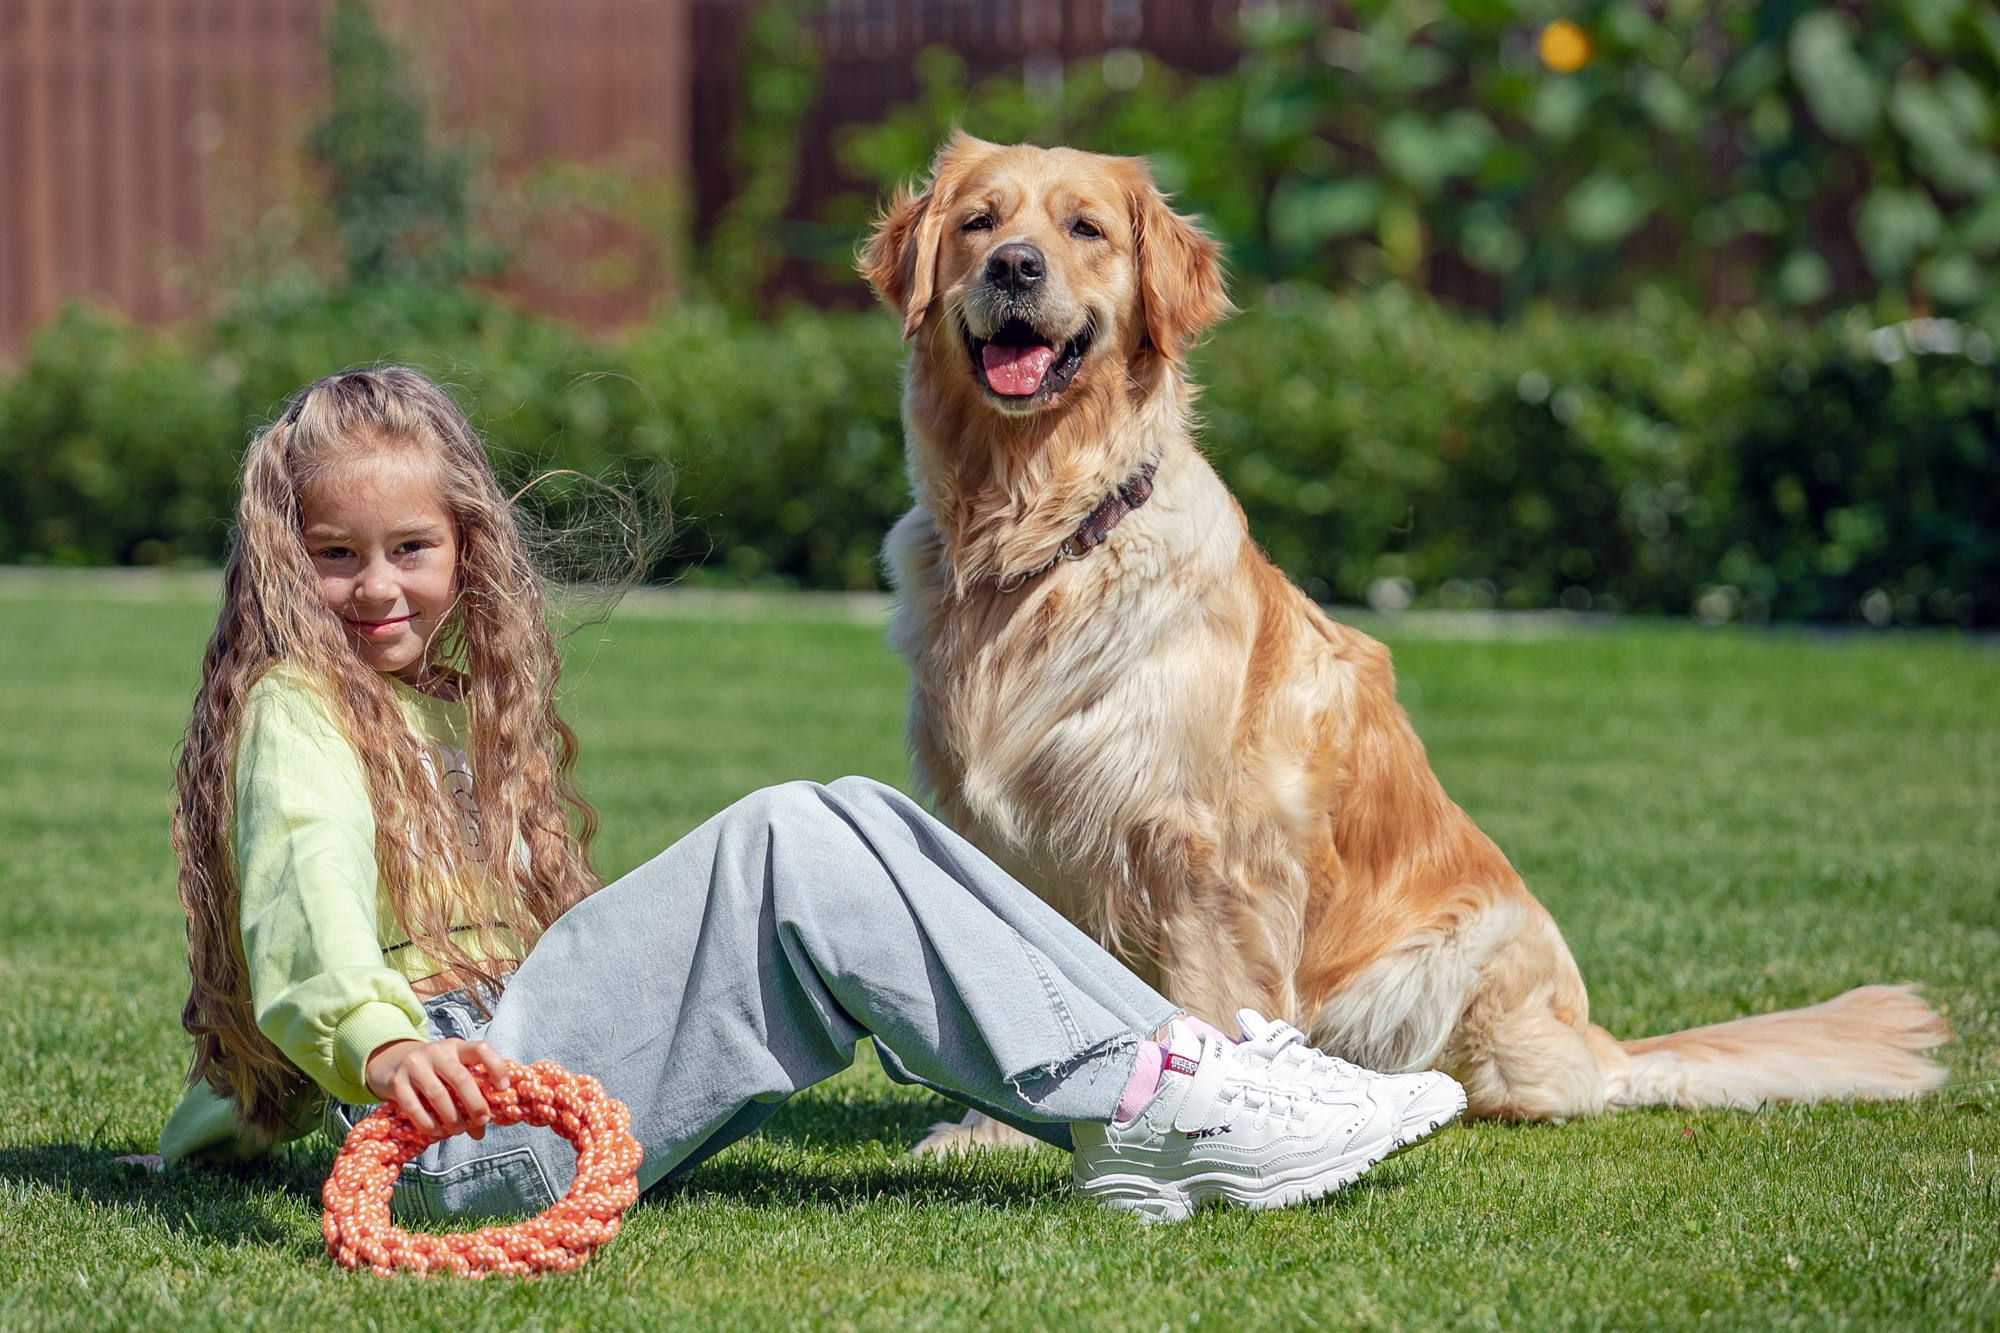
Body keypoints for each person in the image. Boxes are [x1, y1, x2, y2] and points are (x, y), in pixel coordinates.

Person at [127, 367, 1464, 1225]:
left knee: (845, 819)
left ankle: (1175, 1082)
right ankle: (1164, 1098)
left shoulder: (433, 705)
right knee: (791, 832)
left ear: (464, 548)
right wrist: (379, 1049)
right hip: (449, 1131)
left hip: (498, 1100)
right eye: (336, 555)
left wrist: (211, 1128)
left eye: (409, 548)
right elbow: (300, 917)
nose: (377, 587)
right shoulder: (297, 711)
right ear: (283, 567)